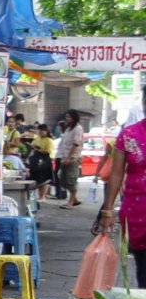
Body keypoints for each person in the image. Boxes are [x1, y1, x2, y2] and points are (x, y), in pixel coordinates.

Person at [96, 86, 146, 287]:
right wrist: (107, 211)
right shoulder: (129, 134)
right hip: (137, 212)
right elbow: (116, 174)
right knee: (143, 268)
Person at [57, 109, 84, 208]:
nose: (66, 118)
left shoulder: (78, 129)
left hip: (72, 158)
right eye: (66, 116)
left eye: (68, 117)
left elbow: (75, 144)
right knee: (63, 180)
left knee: (71, 180)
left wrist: (68, 158)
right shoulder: (68, 129)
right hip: (64, 156)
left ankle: (70, 202)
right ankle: (74, 199)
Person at [28, 123, 55, 202]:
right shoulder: (37, 138)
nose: (40, 132)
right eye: (39, 130)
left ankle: (43, 196)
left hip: (45, 160)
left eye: (42, 130)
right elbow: (32, 145)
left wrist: (38, 150)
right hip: (36, 160)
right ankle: (39, 196)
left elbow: (48, 151)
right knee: (37, 178)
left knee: (44, 179)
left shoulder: (49, 140)